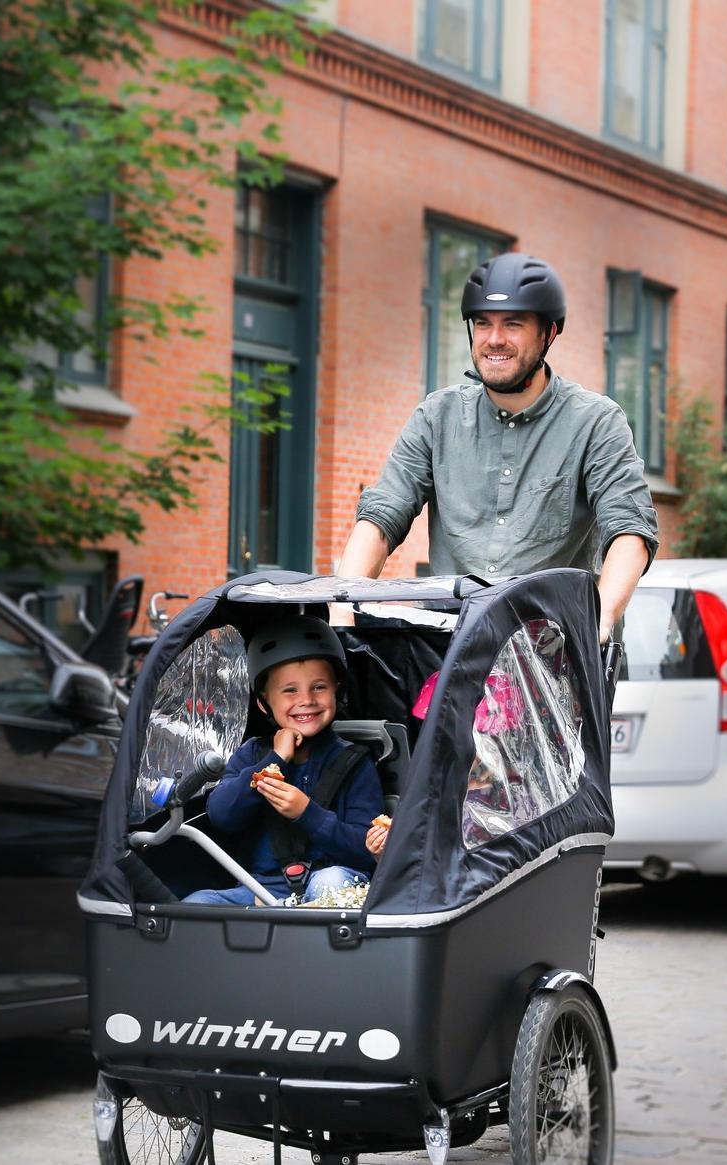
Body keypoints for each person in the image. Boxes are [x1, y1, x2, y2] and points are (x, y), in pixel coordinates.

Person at [336, 252, 658, 642]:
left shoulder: (595, 422)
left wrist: (600, 623)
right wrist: (342, 607)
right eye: (483, 323)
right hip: (453, 650)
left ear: (548, 333)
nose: (494, 339)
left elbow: (629, 530)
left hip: (556, 655)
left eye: (513, 324)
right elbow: (381, 519)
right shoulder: (437, 417)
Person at [184, 616, 383, 905]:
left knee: (330, 881)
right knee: (198, 904)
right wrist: (276, 759)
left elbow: (364, 849)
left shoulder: (354, 763)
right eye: (290, 690)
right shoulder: (252, 755)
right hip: (262, 891)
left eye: (319, 687)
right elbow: (222, 815)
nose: (306, 700)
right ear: (264, 702)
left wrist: (306, 812)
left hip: (332, 884)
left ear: (337, 690)